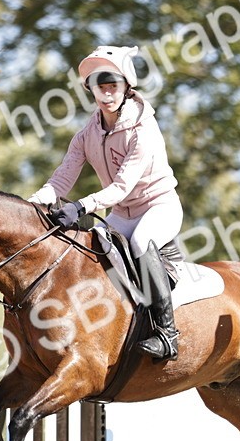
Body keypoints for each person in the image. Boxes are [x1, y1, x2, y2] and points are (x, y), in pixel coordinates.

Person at [29, 46, 184, 361]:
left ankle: (168, 334)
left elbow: (122, 186)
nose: (106, 91)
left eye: (112, 83)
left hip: (158, 207)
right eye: (99, 85)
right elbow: (61, 179)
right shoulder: (88, 133)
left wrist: (82, 207)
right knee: (92, 251)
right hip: (121, 214)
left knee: (141, 241)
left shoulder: (144, 128)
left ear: (127, 86)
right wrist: (30, 204)